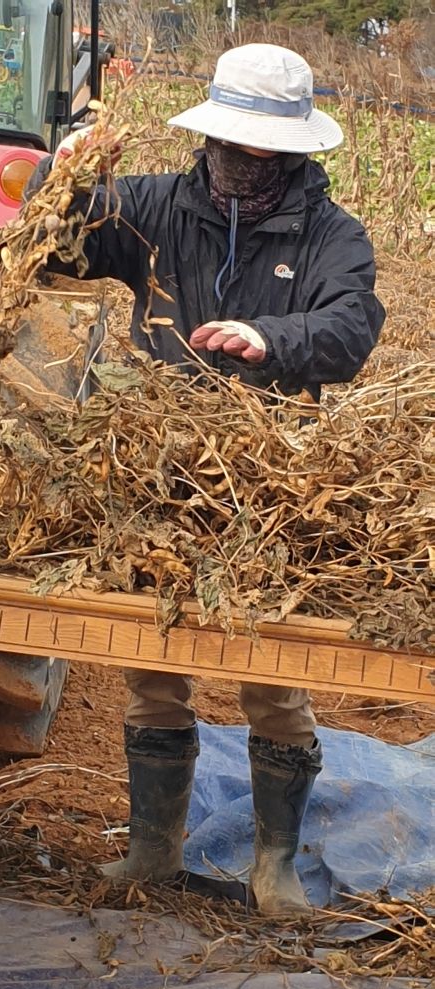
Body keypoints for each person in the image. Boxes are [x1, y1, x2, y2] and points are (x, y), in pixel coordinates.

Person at [27, 43, 386, 915]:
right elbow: (54, 249)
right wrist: (58, 182)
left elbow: (353, 323)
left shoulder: (330, 236)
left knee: (273, 666)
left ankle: (274, 864)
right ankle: (153, 849)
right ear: (211, 139)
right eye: (232, 148)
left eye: (262, 155)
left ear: (294, 155)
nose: (241, 168)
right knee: (152, 659)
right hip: (158, 465)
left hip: (272, 477)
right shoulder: (156, 204)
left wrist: (273, 338)